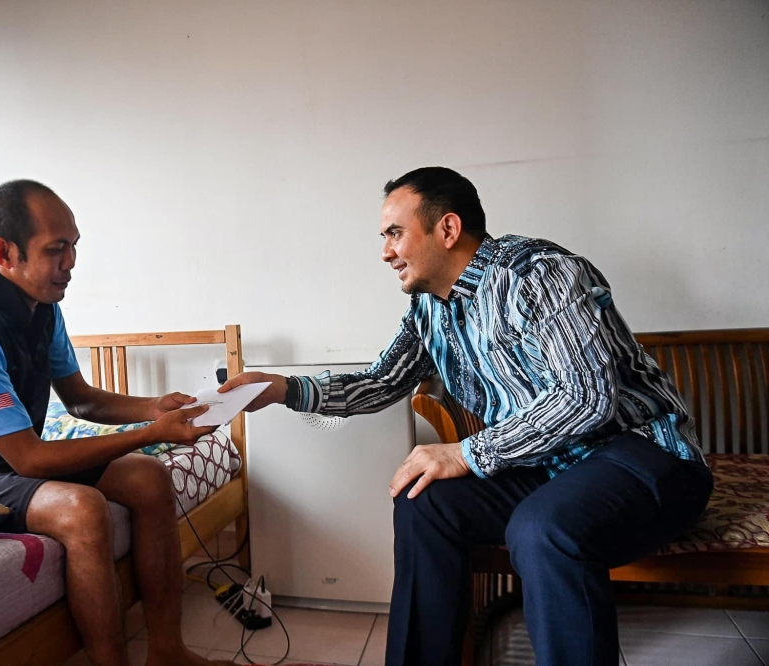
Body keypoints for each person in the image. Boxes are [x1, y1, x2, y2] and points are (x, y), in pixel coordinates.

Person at [220, 167, 712, 666]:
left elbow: (587, 396)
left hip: (642, 455)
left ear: (448, 229)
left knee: (541, 528)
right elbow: (380, 382)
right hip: (550, 468)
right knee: (423, 500)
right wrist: (281, 389)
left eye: (395, 233)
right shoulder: (430, 308)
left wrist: (467, 452)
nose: (385, 252)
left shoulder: (539, 273)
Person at [0, 180, 234, 666]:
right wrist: (151, 435)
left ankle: (167, 652)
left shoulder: (43, 310)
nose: (71, 262)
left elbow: (80, 401)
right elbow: (31, 458)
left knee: (149, 475)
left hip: (8, 460)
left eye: (74, 247)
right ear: (4, 253)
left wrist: (154, 408)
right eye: (56, 249)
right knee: (81, 508)